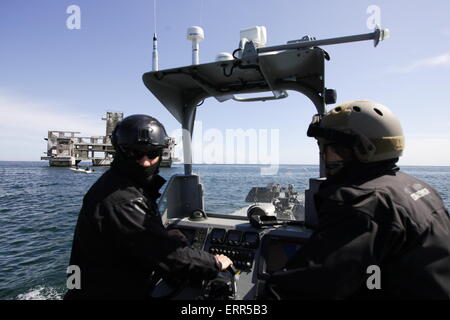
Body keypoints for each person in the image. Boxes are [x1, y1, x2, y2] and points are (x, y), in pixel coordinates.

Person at [267, 100, 450, 299]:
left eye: (329, 149)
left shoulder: (363, 203)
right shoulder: (419, 188)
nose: (323, 157)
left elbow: (303, 291)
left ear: (361, 149)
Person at [65, 114, 232, 300]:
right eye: (135, 153)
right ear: (120, 151)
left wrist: (161, 236)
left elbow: (130, 238)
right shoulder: (123, 200)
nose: (145, 162)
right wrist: (214, 263)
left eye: (152, 154)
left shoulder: (122, 185)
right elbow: (168, 257)